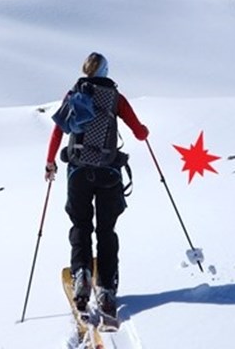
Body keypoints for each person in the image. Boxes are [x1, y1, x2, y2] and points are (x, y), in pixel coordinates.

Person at [45, 52, 149, 321]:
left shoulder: (75, 95)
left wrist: (50, 163)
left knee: (81, 225)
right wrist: (144, 131)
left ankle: (81, 274)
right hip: (108, 173)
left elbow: (58, 130)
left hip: (78, 172)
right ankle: (106, 289)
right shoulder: (115, 97)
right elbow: (139, 132)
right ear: (105, 70)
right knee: (106, 230)